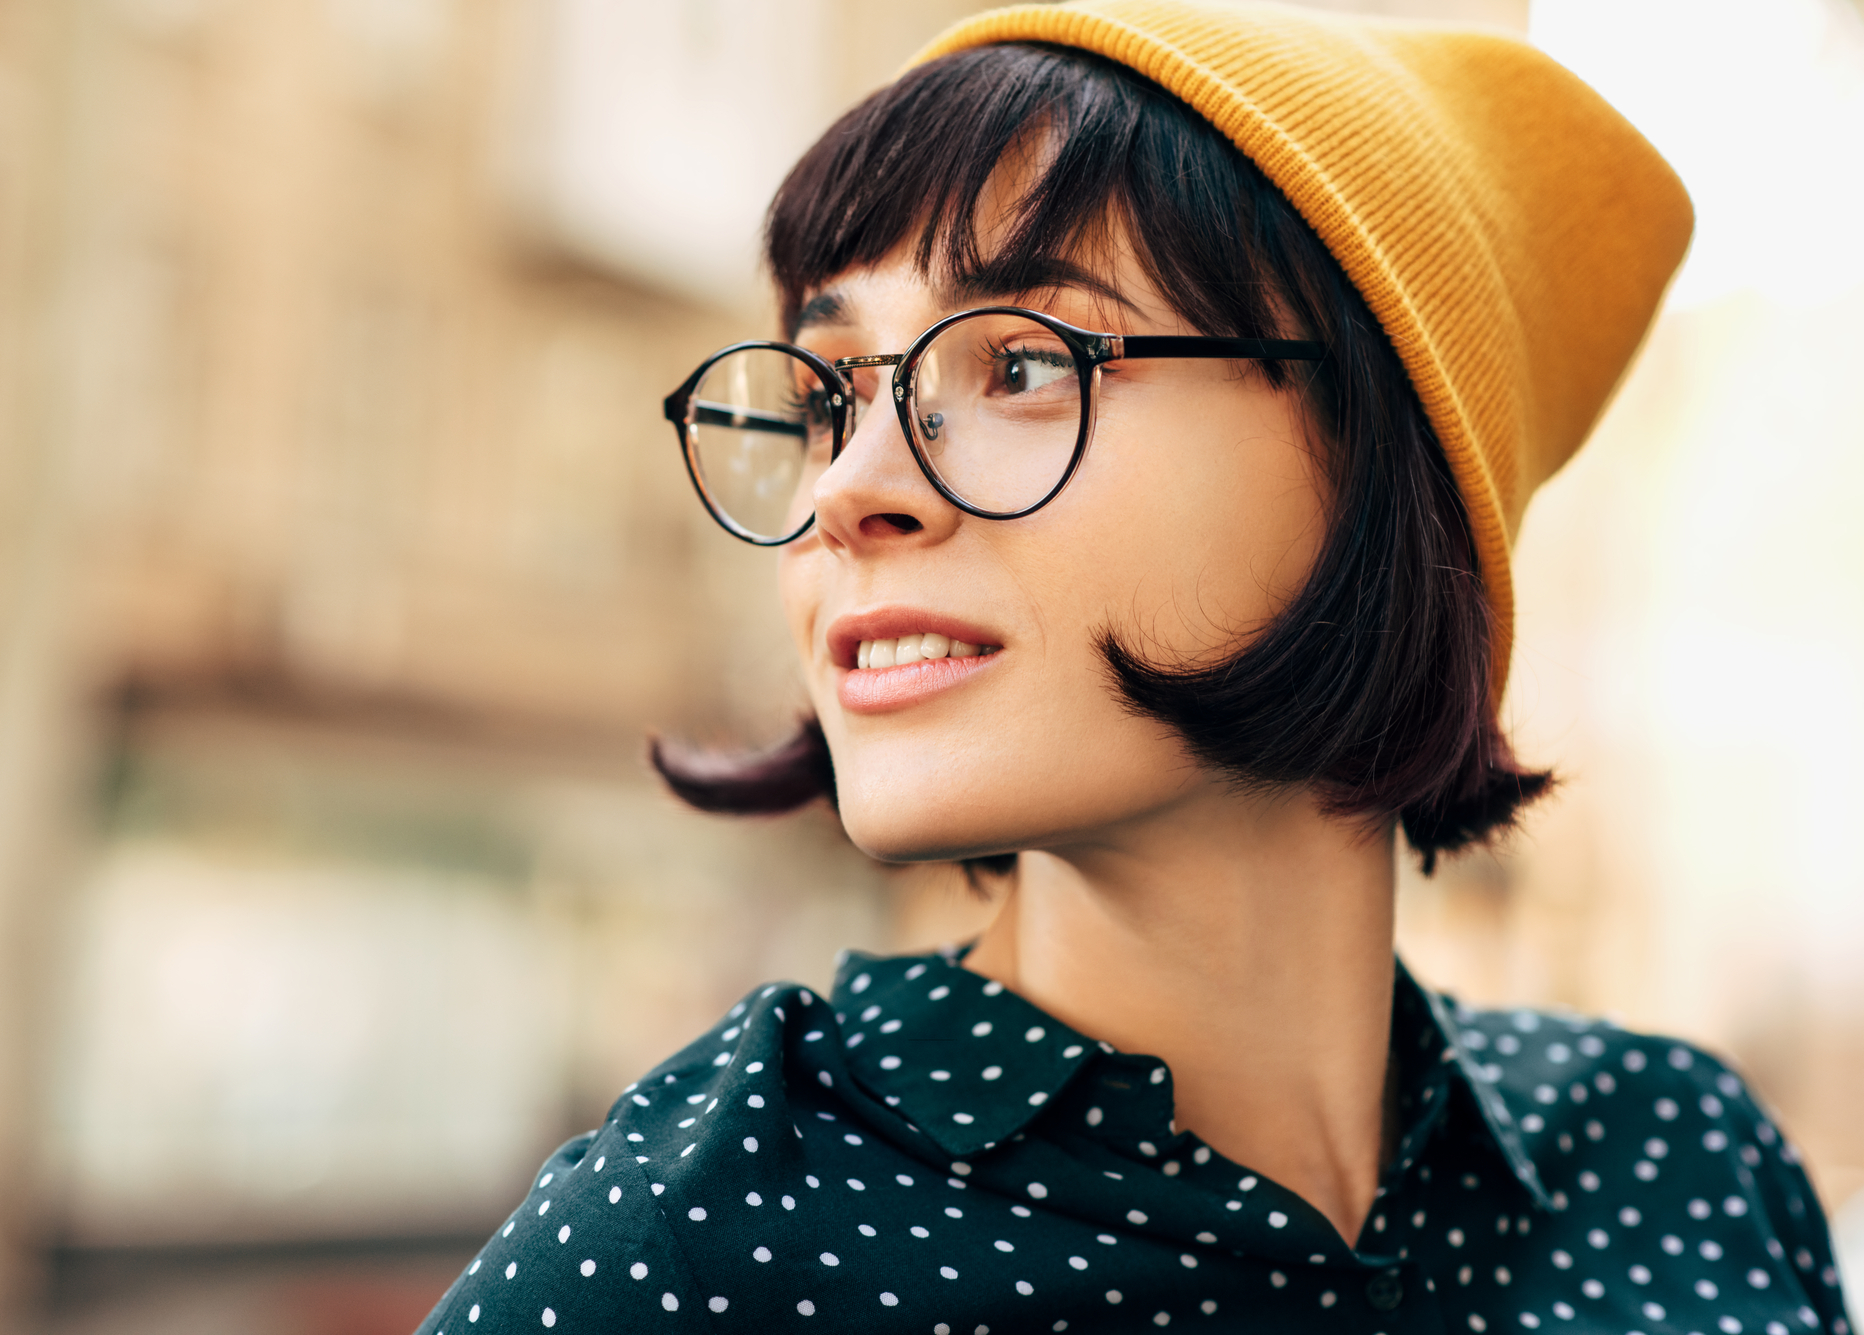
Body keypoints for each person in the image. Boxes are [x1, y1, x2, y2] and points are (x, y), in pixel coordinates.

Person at [418, 3, 1852, 1331]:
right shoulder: (687, 1247)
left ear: (1378, 458)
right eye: (822, 397)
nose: (850, 486)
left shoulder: (1679, 1164)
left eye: (1024, 366)